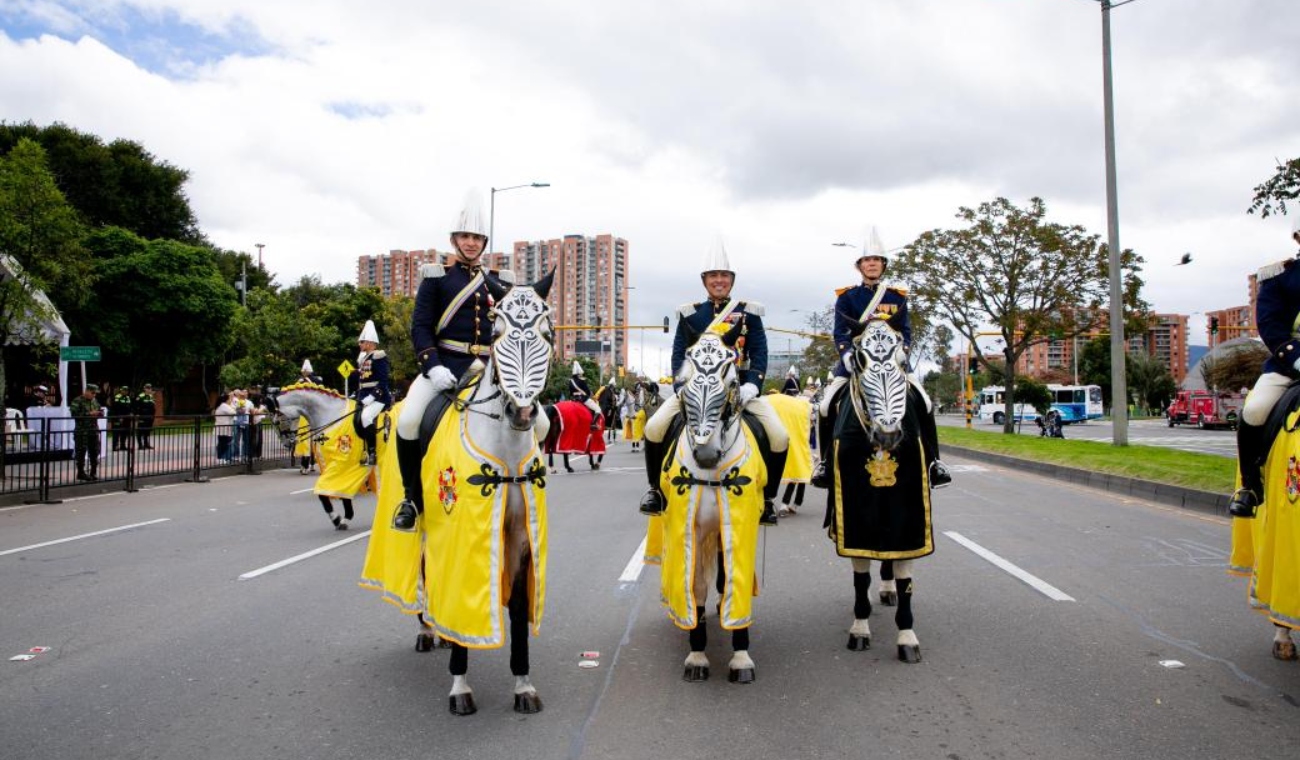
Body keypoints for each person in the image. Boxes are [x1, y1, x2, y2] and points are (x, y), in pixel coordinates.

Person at [638, 238, 788, 527]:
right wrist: (682, 387)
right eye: (713, 276)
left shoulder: (748, 312)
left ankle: (768, 498)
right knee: (654, 427)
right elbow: (679, 354)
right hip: (695, 391)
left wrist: (752, 385)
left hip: (739, 391)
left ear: (732, 280)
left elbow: (759, 352)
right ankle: (655, 491)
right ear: (704, 280)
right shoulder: (691, 314)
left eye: (724, 276)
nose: (719, 281)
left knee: (779, 435)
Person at [391, 189, 513, 532]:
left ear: (484, 242)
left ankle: (524, 485)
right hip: (445, 365)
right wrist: (433, 367)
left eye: (477, 238)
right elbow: (420, 327)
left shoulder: (499, 282)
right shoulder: (437, 278)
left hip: (490, 370)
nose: (471, 243)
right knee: (408, 422)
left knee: (537, 422)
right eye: (465, 236)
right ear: (454, 239)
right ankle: (410, 499)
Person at [810, 227, 951, 489]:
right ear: (860, 266)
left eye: (876, 260)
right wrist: (847, 354)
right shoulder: (847, 297)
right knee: (825, 406)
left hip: (892, 364)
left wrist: (902, 354)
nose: (872, 264)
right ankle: (826, 464)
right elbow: (840, 333)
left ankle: (935, 463)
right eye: (867, 260)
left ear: (883, 265)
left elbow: (905, 332)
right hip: (856, 364)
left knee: (925, 402)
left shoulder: (897, 297)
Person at [1229, 217, 1300, 517]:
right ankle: (1250, 487)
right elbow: (1270, 326)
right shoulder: (1279, 277)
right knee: (1255, 410)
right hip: (1290, 363)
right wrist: (1296, 359)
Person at [352, 320, 392, 466]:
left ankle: (372, 452)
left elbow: (383, 380)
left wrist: (373, 396)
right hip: (363, 396)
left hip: (379, 397)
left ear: (369, 343)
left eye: (362, 342)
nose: (360, 344)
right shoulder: (364, 359)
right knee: (356, 420)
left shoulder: (378, 356)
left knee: (366, 417)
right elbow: (362, 381)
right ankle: (363, 450)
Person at [70, 384, 103, 481]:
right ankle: (81, 472)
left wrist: (99, 413)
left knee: (95, 451)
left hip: (93, 430)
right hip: (82, 430)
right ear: (87, 391)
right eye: (93, 393)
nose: (94, 395)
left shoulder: (95, 401)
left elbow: (100, 411)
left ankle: (93, 472)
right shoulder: (77, 401)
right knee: (81, 451)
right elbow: (74, 414)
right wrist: (89, 413)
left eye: (95, 393)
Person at [569, 362, 603, 430]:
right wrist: (589, 395)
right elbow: (587, 391)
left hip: (574, 399)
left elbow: (570, 393)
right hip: (583, 399)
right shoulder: (582, 380)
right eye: (581, 374)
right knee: (598, 409)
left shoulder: (570, 381)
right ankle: (593, 424)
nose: (582, 375)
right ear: (579, 374)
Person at [109, 384, 133, 451]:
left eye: (127, 390)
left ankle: (123, 446)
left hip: (126, 418)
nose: (125, 392)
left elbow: (130, 407)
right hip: (117, 418)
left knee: (124, 432)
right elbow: (116, 408)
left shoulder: (128, 398)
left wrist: (131, 412)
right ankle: (115, 446)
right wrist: (119, 417)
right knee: (116, 432)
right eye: (124, 390)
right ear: (121, 390)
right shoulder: (117, 397)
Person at [214, 393, 236, 463]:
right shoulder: (224, 405)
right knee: (223, 443)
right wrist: (232, 405)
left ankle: (222, 457)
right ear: (226, 399)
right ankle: (220, 458)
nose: (230, 400)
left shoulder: (220, 405)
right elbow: (233, 412)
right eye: (229, 399)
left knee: (222, 443)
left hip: (222, 427)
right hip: (224, 428)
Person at [134, 384, 156, 449]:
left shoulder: (151, 397)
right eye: (147, 388)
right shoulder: (140, 396)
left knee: (147, 431)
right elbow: (136, 406)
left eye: (150, 388)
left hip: (150, 417)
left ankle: (146, 444)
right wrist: (137, 414)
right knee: (140, 431)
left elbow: (153, 407)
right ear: (144, 389)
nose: (149, 389)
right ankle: (140, 445)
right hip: (142, 416)